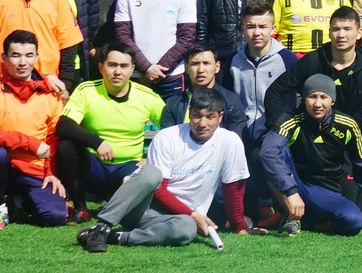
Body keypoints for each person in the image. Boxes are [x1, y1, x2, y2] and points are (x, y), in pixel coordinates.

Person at [74, 91, 249, 252]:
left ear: (220, 117)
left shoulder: (230, 141)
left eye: (210, 117)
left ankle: (118, 237)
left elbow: (233, 186)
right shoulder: (167, 137)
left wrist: (238, 227)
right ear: (189, 114)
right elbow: (158, 190)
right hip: (139, 208)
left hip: (177, 218)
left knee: (187, 229)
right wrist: (192, 214)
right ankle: (100, 228)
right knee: (151, 172)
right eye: (197, 115)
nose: (202, 123)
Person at [263, 6, 362, 168]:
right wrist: (276, 127)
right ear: (329, 33)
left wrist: (335, 135)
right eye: (336, 29)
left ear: (359, 33)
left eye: (347, 29)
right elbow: (275, 91)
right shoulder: (313, 61)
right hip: (310, 135)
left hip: (350, 137)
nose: (341, 35)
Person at [256, 72, 362, 236]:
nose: (317, 104)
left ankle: (309, 224)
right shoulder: (291, 119)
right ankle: (290, 216)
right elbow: (268, 151)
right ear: (304, 99)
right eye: (312, 97)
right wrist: (291, 191)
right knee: (276, 151)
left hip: (325, 192)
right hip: (295, 184)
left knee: (354, 221)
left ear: (332, 100)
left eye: (324, 97)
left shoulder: (348, 125)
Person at [0, 29, 70, 228]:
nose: (22, 62)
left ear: (37, 57)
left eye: (28, 55)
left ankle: (18, 201)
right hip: (1, 165)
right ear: (4, 58)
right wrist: (31, 143)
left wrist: (51, 172)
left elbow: (53, 138)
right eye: (16, 55)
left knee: (55, 217)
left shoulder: (50, 93)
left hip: (34, 166)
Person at [56, 45, 167, 211]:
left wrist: (151, 158)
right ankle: (80, 208)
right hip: (93, 168)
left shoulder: (147, 96)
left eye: (124, 66)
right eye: (112, 65)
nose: (117, 72)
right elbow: (64, 125)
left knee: (147, 174)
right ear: (101, 67)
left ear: (132, 69)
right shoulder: (87, 90)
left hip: (129, 168)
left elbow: (171, 130)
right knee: (66, 147)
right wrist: (97, 142)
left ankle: (120, 205)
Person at [222, 7, 291, 149]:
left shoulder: (287, 59)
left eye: (263, 27)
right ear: (243, 29)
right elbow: (227, 98)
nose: (257, 33)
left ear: (273, 29)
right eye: (251, 27)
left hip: (275, 137)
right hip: (240, 135)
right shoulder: (233, 60)